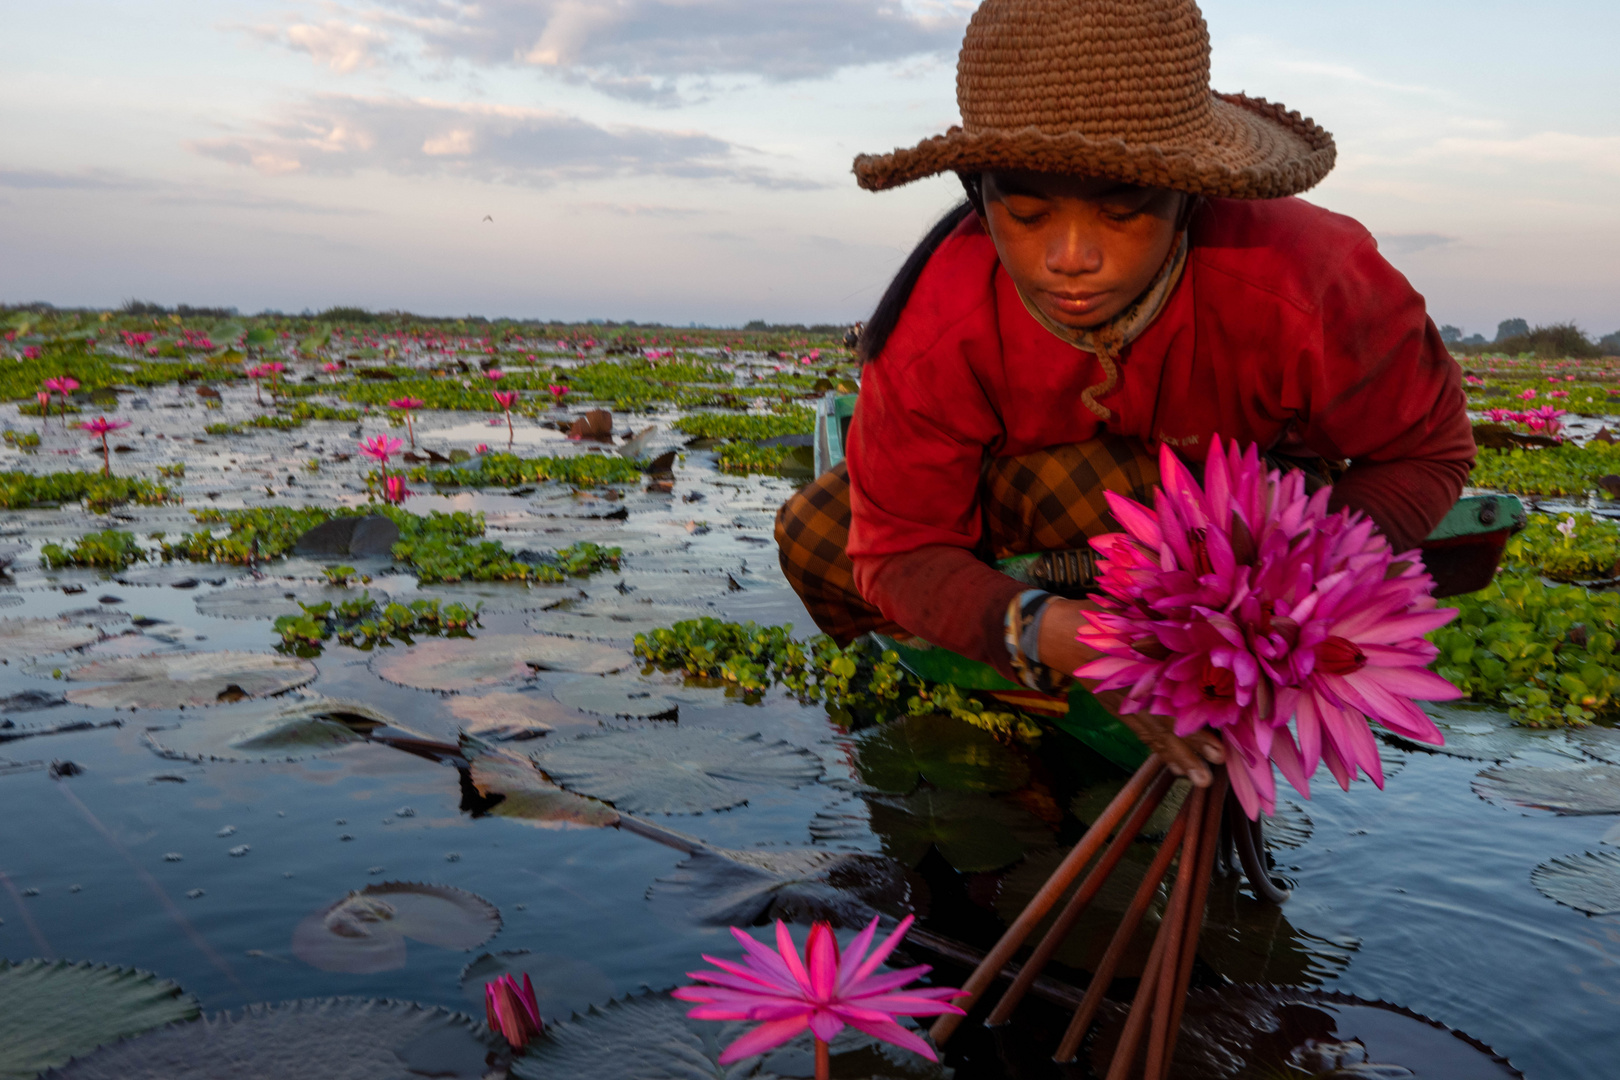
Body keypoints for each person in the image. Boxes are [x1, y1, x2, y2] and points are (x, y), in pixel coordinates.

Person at [774, 0, 1474, 787]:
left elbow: (1429, 453)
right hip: (1030, 523)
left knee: (1148, 493)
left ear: (1190, 194)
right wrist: (1048, 631)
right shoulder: (937, 322)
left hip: (1253, 529)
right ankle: (1034, 691)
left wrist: (1282, 590)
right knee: (817, 531)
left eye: (1123, 210)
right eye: (1027, 212)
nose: (1071, 259)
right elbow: (900, 549)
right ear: (977, 192)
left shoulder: (1315, 278)